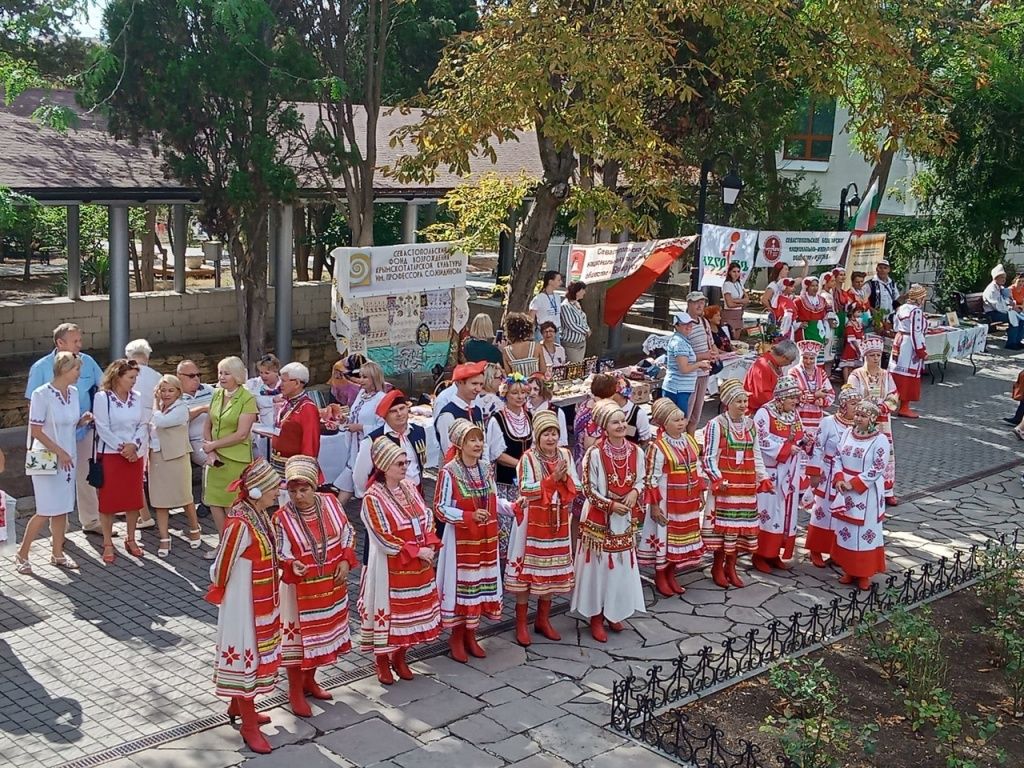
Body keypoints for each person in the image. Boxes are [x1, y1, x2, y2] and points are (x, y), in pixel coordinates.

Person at [205, 458, 283, 755]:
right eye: (274, 488)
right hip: (243, 602)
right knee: (247, 656)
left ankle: (238, 707)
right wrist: (230, 590)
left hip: (259, 598)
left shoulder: (259, 513)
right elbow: (220, 567)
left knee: (254, 653)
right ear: (257, 490)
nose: (278, 492)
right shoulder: (240, 522)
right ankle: (249, 725)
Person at [274, 455, 357, 716]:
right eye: (293, 490)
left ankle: (310, 680)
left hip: (331, 587)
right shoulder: (281, 518)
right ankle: (295, 691)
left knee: (324, 637)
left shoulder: (331, 503)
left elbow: (348, 532)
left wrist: (345, 559)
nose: (298, 496)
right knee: (299, 643)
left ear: (314, 486)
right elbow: (279, 550)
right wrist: (291, 564)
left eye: (304, 489)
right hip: (299, 592)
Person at [359, 438, 442, 685]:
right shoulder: (372, 498)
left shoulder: (408, 486)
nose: (405, 466)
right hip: (390, 567)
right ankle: (382, 660)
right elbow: (382, 536)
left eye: (406, 462)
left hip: (416, 566)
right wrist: (416, 551)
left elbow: (425, 515)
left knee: (412, 615)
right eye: (399, 463)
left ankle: (400, 655)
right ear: (384, 466)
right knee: (389, 614)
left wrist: (428, 543)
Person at [571, 400, 646, 642]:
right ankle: (596, 616)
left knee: (621, 567)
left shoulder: (636, 452)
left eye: (623, 421)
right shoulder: (594, 454)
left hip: (623, 521)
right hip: (600, 520)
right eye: (615, 422)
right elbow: (589, 490)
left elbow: (642, 480)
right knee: (599, 569)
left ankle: (615, 611)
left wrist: (635, 493)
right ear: (604, 426)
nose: (622, 425)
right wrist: (612, 505)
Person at [506, 410, 579, 645]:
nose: (550, 438)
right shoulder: (528, 458)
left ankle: (543, 619)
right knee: (527, 574)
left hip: (557, 522)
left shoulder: (565, 455)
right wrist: (551, 481)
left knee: (549, 572)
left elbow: (576, 483)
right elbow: (525, 489)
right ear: (537, 436)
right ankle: (520, 624)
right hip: (531, 524)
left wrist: (564, 480)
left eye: (554, 433)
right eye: (546, 434)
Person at [25, 323, 105, 536]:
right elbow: (32, 410)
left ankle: (91, 520)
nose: (80, 345)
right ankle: (58, 532)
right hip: (46, 444)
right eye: (75, 341)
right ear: (60, 343)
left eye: (80, 340)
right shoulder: (40, 368)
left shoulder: (87, 362)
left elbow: (104, 386)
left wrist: (88, 419)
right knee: (49, 495)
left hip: (80, 432)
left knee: (84, 478)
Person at [17, 352, 93, 572]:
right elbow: (38, 431)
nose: (79, 374)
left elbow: (66, 425)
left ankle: (57, 553)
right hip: (45, 458)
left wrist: (82, 421)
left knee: (62, 509)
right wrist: (60, 452)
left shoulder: (74, 392)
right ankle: (22, 554)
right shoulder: (42, 394)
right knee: (46, 508)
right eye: (76, 369)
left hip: (67, 458)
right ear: (64, 369)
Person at [434, 420, 503, 662]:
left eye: (480, 439)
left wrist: (514, 507)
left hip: (485, 540)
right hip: (460, 541)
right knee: (462, 586)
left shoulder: (486, 468)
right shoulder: (449, 471)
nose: (477, 444)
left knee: (479, 588)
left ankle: (471, 634)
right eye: (472, 440)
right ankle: (456, 636)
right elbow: (440, 508)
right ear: (460, 444)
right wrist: (467, 516)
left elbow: (494, 498)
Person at [701, 379, 767, 589]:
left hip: (746, 485)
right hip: (726, 486)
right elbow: (709, 456)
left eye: (744, 401)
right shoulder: (716, 425)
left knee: (739, 528)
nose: (742, 405)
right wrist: (717, 478)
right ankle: (717, 566)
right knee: (723, 529)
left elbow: (756, 453)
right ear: (728, 402)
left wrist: (763, 477)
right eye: (738, 401)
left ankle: (732, 566)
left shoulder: (750, 424)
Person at [639, 398, 705, 597]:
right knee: (665, 538)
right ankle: (661, 575)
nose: (682, 423)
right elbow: (651, 479)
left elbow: (697, 468)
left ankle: (671, 573)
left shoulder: (690, 441)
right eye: (675, 420)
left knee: (680, 540)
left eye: (682, 419)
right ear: (664, 424)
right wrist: (655, 507)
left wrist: (700, 492)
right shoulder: (658, 447)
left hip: (687, 502)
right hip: (667, 502)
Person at [752, 376, 811, 574]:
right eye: (791, 398)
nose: (795, 402)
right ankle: (760, 554)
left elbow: (799, 433)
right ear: (780, 398)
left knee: (786, 515)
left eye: (796, 398)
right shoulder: (764, 413)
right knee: (768, 514)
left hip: (789, 472)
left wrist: (805, 441)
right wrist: (786, 448)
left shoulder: (793, 414)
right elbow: (760, 440)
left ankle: (775, 552)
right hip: (770, 473)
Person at [830, 400, 890, 590]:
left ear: (873, 418)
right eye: (857, 414)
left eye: (863, 416)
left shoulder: (880, 440)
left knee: (864, 534)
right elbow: (838, 456)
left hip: (867, 493)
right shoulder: (848, 432)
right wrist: (839, 478)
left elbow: (878, 467)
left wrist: (854, 483)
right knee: (846, 531)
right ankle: (849, 569)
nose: (858, 418)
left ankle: (864, 574)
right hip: (845, 491)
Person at [203, 356, 259, 557]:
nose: (222, 377)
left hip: (235, 459)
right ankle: (222, 543)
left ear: (236, 376)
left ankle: (237, 545)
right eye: (220, 373)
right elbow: (208, 424)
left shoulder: (247, 399)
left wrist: (213, 445)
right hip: (215, 458)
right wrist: (210, 450)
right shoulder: (217, 394)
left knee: (231, 504)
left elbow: (242, 433)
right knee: (214, 501)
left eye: (226, 373)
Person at [94, 359, 148, 563]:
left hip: (135, 454)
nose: (134, 382)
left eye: (135, 377)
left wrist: (133, 445)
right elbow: (102, 427)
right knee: (108, 500)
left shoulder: (138, 397)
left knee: (133, 499)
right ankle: (108, 542)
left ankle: (131, 537)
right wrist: (122, 448)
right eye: (131, 377)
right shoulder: (102, 398)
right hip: (111, 455)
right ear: (117, 376)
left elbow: (143, 424)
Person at [805, 387, 861, 568]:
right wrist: (814, 473)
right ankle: (815, 550)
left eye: (859, 404)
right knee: (822, 513)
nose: (857, 408)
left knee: (841, 516)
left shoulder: (859, 426)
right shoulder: (828, 422)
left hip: (847, 479)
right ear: (843, 405)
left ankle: (836, 551)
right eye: (853, 404)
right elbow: (818, 448)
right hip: (827, 475)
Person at [149, 374, 203, 557]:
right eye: (162, 390)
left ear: (179, 392)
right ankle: (164, 538)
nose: (165, 394)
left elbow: (162, 422)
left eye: (170, 390)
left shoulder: (181, 409)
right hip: (157, 456)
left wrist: (155, 405)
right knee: (159, 499)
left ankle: (195, 528)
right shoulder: (160, 409)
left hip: (177, 457)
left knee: (184, 496)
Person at [847, 335, 900, 506]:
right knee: (864, 452)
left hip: (883, 422)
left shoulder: (886, 375)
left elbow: (894, 394)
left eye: (878, 355)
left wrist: (884, 407)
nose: (876, 358)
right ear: (865, 356)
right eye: (872, 355)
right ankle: (863, 486)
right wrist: (866, 407)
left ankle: (887, 490)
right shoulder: (856, 375)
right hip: (863, 421)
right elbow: (850, 396)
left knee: (885, 454)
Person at [486, 374, 533, 560]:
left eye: (523, 393)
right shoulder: (497, 419)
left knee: (525, 523)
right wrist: (522, 463)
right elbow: (496, 454)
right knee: (506, 523)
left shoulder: (529, 416)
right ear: (506, 394)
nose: (520, 397)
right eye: (515, 393)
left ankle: (522, 560)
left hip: (526, 481)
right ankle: (506, 564)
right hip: (506, 482)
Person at [271, 362, 326, 486]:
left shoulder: (307, 408)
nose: (280, 385)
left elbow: (310, 444)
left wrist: (303, 473)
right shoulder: (287, 403)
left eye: (284, 381)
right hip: (278, 463)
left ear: (296, 383)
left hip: (295, 467)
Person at [125, 338, 160, 528]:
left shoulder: (127, 375)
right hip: (154, 425)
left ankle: (145, 515)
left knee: (135, 472)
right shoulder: (156, 375)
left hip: (133, 426)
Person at [888, 283, 929, 418]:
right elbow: (916, 332)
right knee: (908, 375)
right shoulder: (916, 311)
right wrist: (921, 351)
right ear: (919, 299)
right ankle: (904, 407)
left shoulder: (902, 308)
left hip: (899, 340)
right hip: (909, 345)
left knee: (895, 373)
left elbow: (895, 326)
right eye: (923, 297)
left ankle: (890, 404)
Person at [434, 361, 487, 459]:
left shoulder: (477, 410)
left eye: (481, 384)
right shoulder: (448, 414)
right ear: (459, 383)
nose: (479, 389)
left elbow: (484, 444)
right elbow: (449, 451)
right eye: (474, 384)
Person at [663, 312, 710, 414]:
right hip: (678, 389)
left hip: (679, 388)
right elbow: (684, 369)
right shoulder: (680, 343)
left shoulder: (681, 340)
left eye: (690, 323)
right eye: (684, 324)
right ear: (676, 326)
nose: (689, 326)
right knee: (677, 422)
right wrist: (699, 364)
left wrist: (699, 365)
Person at [684, 291, 717, 434]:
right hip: (689, 375)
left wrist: (714, 353)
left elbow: (711, 342)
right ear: (689, 303)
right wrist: (704, 355)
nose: (700, 305)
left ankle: (690, 443)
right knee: (686, 413)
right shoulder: (683, 323)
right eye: (696, 302)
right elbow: (682, 355)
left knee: (696, 414)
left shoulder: (704, 322)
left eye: (702, 302)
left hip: (704, 372)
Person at [791, 340, 835, 439]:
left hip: (817, 418)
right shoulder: (793, 372)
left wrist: (822, 401)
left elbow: (831, 394)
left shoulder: (821, 373)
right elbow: (793, 396)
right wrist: (815, 395)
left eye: (811, 358)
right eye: (805, 358)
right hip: (798, 417)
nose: (808, 361)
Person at [743, 338, 799, 414]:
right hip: (756, 410)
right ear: (784, 357)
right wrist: (782, 405)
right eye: (790, 361)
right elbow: (762, 394)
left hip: (772, 406)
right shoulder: (763, 365)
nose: (789, 364)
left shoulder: (776, 365)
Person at [245, 354, 282, 460]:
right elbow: (253, 399)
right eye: (261, 372)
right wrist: (272, 400)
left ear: (276, 371)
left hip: (280, 426)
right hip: (263, 428)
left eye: (267, 373)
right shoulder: (255, 384)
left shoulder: (283, 384)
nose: (263, 376)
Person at [793, 277, 833, 364]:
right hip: (805, 331)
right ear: (806, 287)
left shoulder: (822, 300)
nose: (815, 288)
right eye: (812, 286)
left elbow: (826, 318)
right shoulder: (799, 301)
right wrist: (799, 324)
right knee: (805, 357)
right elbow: (792, 318)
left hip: (819, 331)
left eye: (816, 285)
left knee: (818, 358)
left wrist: (827, 335)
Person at [984, 265, 1024, 350]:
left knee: (1021, 318)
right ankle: (1011, 343)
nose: (1004, 279)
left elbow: (1009, 300)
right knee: (1014, 317)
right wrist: (1011, 309)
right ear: (995, 277)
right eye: (1002, 277)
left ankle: (1017, 341)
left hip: (1001, 311)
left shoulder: (1001, 288)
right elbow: (997, 306)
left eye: (1004, 277)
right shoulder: (992, 289)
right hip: (992, 313)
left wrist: (1012, 304)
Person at [611, 373, 653, 445]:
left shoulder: (638, 414)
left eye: (612, 391)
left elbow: (645, 439)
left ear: (622, 393)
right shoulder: (606, 409)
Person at [527, 375, 568, 446]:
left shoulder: (556, 412)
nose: (531, 393)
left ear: (544, 390)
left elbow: (562, 441)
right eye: (529, 389)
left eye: (536, 389)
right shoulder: (523, 410)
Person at [503, 312, 546, 377]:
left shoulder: (506, 351)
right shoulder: (536, 346)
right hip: (535, 385)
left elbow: (509, 375)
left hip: (517, 386)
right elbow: (543, 370)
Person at [560, 280, 591, 362]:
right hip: (571, 344)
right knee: (573, 367)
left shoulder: (577, 304)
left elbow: (583, 319)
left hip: (581, 342)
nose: (584, 292)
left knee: (579, 366)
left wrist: (587, 328)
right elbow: (570, 324)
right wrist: (585, 331)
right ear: (577, 291)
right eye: (583, 290)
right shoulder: (565, 306)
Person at [528, 270, 563, 338]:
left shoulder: (557, 297)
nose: (561, 282)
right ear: (550, 282)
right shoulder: (539, 298)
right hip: (544, 332)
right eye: (558, 280)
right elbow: (531, 317)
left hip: (556, 332)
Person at [838, 301, 866, 383]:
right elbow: (851, 338)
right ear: (852, 312)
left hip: (858, 345)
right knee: (847, 365)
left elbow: (861, 334)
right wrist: (857, 348)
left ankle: (852, 381)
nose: (860, 314)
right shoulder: (849, 324)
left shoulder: (858, 323)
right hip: (851, 346)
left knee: (853, 365)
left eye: (861, 312)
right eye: (858, 312)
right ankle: (846, 381)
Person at [721, 261, 749, 333]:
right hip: (729, 314)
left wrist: (735, 300)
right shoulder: (727, 284)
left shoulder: (739, 283)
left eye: (738, 271)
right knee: (731, 336)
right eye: (734, 271)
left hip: (739, 314)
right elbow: (729, 304)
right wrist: (741, 303)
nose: (736, 274)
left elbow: (747, 299)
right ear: (730, 272)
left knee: (737, 338)